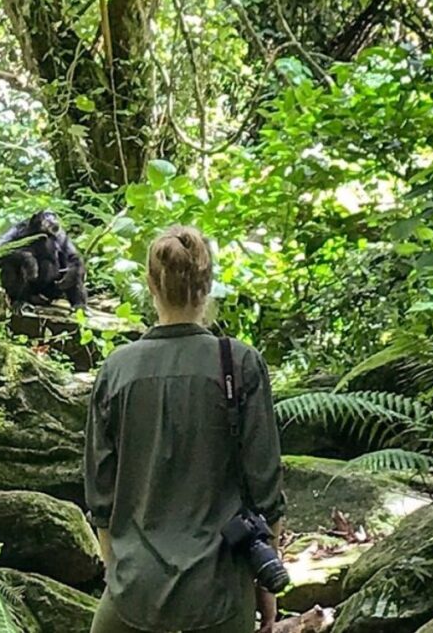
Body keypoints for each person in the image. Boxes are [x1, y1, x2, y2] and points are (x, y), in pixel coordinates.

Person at [84, 226, 285, 633]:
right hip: (220, 593)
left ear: (150, 284)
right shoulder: (240, 364)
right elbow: (266, 490)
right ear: (208, 285)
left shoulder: (117, 370)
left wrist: (116, 573)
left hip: (132, 593)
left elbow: (99, 496)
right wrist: (266, 588)